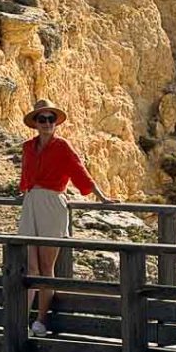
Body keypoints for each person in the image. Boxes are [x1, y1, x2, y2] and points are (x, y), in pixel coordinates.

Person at [18, 98, 112, 336]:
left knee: (47, 266)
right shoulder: (28, 147)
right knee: (30, 266)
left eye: (51, 119)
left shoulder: (63, 147)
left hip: (52, 204)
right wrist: (22, 193)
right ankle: (20, 320)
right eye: (42, 119)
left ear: (55, 123)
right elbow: (25, 174)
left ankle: (40, 321)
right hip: (31, 203)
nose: (47, 123)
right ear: (35, 123)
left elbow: (80, 172)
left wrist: (102, 198)